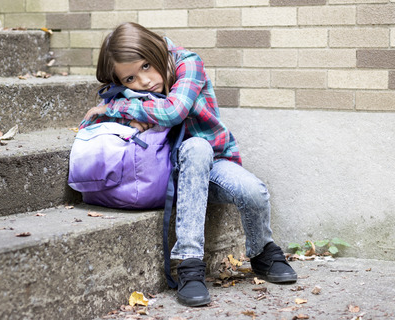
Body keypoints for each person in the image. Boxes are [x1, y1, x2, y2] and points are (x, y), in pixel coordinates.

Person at [80, 22, 297, 307]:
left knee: (251, 189)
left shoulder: (187, 64)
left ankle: (262, 251)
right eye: (130, 78)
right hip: (163, 171)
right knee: (196, 148)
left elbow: (173, 110)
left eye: (146, 66)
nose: (144, 81)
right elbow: (93, 121)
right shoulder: (125, 90)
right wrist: (115, 113)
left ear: (156, 50)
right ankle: (189, 263)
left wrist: (117, 108)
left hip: (213, 163)